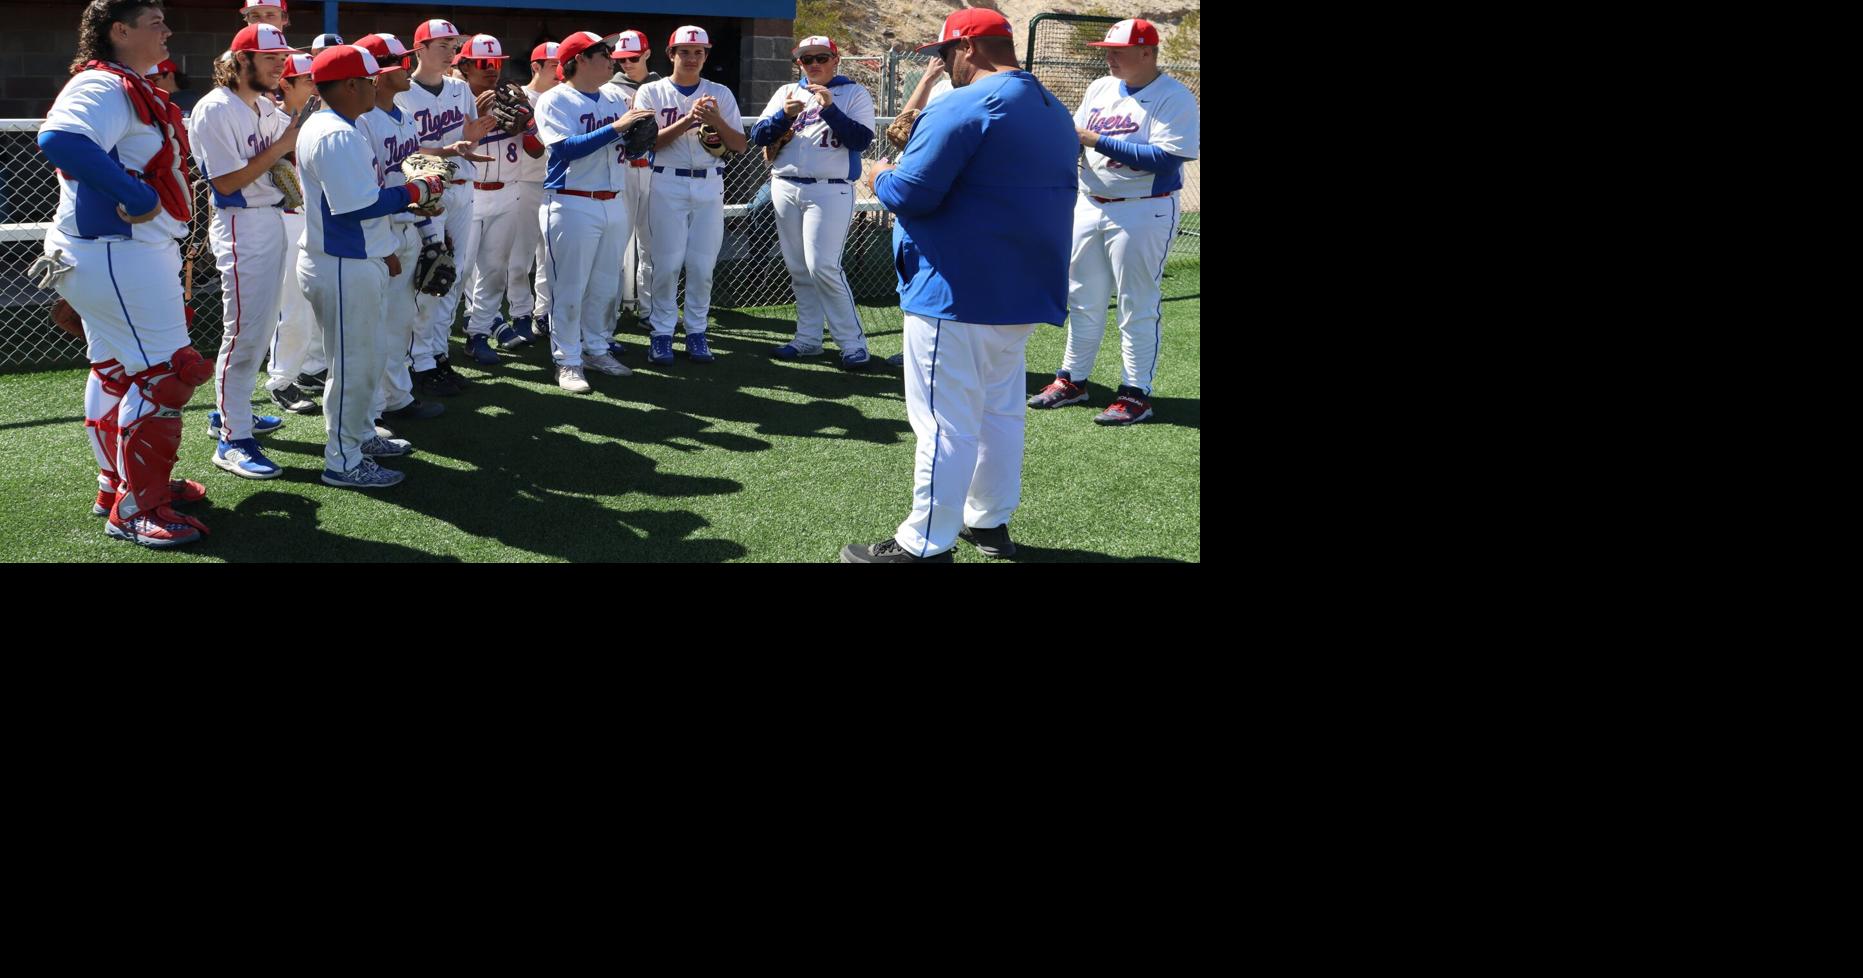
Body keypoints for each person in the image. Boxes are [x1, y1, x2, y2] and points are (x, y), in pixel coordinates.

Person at [841, 8, 1076, 563]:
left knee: (945, 423)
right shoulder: (1053, 109)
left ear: (968, 47)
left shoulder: (966, 103)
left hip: (956, 289)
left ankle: (923, 544)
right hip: (1018, 290)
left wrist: (877, 175)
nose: (944, 66)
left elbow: (914, 194)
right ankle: (988, 521)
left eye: (945, 54)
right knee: (998, 414)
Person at [38, 0, 215, 547]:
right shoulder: (104, 85)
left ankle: (118, 482)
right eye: (154, 22)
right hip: (118, 251)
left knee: (116, 368)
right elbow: (59, 140)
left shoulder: (121, 83)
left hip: (110, 252)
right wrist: (134, 193)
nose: (167, 30)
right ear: (119, 30)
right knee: (168, 374)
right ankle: (138, 508)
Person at [1028, 18, 1199, 426]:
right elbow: (1076, 139)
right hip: (1091, 203)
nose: (1108, 57)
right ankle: (1073, 379)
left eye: (1117, 51)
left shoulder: (1174, 97)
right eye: (1106, 49)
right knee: (1082, 297)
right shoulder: (1100, 87)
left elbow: (1166, 159)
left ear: (1147, 52)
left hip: (1144, 207)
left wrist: (1096, 141)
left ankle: (1136, 393)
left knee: (1136, 303)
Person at [295, 42, 446, 489]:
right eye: (366, 80)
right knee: (354, 367)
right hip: (341, 262)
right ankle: (342, 461)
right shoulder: (336, 133)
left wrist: (384, 250)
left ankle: (360, 436)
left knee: (369, 357)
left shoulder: (344, 125)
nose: (373, 85)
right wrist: (417, 192)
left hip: (355, 257)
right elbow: (357, 206)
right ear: (347, 85)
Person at [188, 22, 306, 479]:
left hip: (270, 219)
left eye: (282, 57)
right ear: (241, 62)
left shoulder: (261, 104)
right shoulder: (216, 108)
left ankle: (229, 412)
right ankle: (232, 440)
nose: (280, 64)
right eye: (270, 57)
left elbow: (292, 138)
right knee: (243, 334)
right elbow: (226, 182)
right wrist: (282, 145)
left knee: (258, 329)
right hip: (240, 224)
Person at [533, 30, 655, 392]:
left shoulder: (617, 98)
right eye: (602, 52)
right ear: (580, 60)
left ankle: (596, 348)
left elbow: (629, 152)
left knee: (604, 286)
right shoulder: (556, 100)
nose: (610, 57)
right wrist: (617, 128)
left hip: (613, 199)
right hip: (571, 201)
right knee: (569, 287)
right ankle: (566, 360)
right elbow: (565, 149)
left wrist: (638, 141)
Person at [750, 34, 875, 369]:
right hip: (785, 184)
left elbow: (861, 140)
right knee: (798, 268)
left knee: (824, 267)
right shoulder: (786, 93)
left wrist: (830, 108)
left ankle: (852, 344)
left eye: (822, 57)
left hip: (830, 189)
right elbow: (758, 136)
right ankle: (808, 340)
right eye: (807, 59)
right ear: (799, 64)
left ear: (835, 60)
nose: (815, 64)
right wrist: (783, 117)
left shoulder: (852, 93)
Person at [631, 25, 746, 365]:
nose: (692, 57)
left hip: (710, 182)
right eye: (685, 51)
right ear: (671, 54)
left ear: (706, 55)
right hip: (666, 181)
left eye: (699, 52)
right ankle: (662, 333)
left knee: (702, 265)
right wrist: (688, 121)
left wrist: (715, 121)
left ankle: (696, 332)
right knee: (665, 264)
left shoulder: (720, 93)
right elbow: (646, 143)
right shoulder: (651, 91)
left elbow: (738, 144)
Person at [397, 18, 497, 397]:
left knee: (454, 275)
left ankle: (438, 354)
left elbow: (466, 137)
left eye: (454, 44)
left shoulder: (458, 87)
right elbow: (402, 149)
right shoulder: (402, 92)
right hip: (427, 193)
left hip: (463, 186)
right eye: (442, 43)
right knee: (429, 275)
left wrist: (471, 140)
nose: (451, 50)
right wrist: (448, 149)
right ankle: (417, 360)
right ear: (419, 48)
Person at [355, 32, 446, 430]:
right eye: (399, 61)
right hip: (379, 231)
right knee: (373, 327)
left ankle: (396, 397)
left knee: (400, 321)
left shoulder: (405, 116)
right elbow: (366, 190)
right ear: (376, 73)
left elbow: (415, 175)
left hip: (408, 226)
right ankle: (370, 411)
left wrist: (429, 229)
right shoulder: (360, 123)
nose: (408, 66)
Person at [456, 34, 541, 357]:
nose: (491, 69)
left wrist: (527, 123)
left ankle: (478, 334)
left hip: (508, 193)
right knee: (460, 271)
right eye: (482, 63)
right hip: (469, 195)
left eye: (496, 63)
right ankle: (432, 346)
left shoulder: (514, 98)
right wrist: (472, 123)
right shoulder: (457, 98)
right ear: (464, 66)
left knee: (494, 272)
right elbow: (450, 152)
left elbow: (536, 151)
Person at [260, 51, 320, 415]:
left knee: (314, 302)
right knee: (293, 307)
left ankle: (310, 368)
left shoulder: (318, 117)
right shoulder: (270, 119)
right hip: (284, 218)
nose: (316, 84)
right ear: (286, 83)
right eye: (309, 79)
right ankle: (281, 380)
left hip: (313, 218)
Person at [603, 29, 659, 328]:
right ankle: (607, 315)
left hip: (654, 171)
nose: (626, 64)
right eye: (621, 59)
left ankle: (649, 312)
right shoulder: (608, 90)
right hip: (622, 171)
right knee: (613, 247)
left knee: (653, 246)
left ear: (647, 54)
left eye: (633, 58)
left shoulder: (662, 87)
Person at [506, 41, 557, 345]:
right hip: (524, 182)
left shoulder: (565, 96)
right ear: (536, 66)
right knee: (520, 257)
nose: (560, 71)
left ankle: (544, 311)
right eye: (553, 65)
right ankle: (521, 313)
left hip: (555, 183)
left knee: (550, 255)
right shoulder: (520, 96)